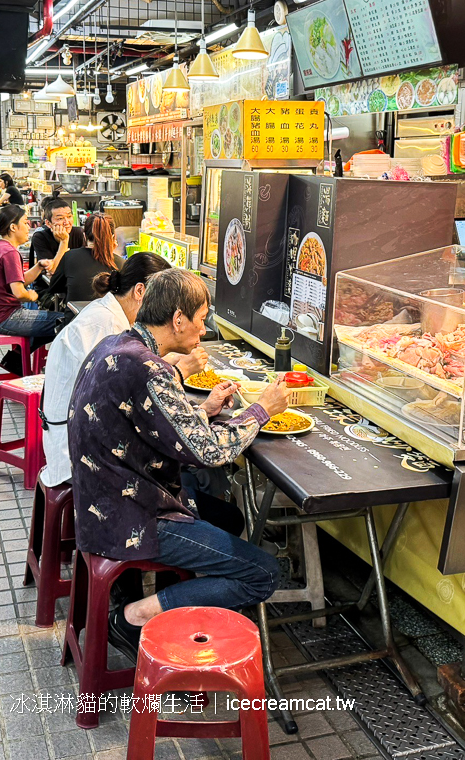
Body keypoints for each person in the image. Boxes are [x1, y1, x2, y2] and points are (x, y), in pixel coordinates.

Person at [68, 269, 292, 654]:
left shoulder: (116, 346)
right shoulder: (148, 369)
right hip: (132, 518)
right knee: (264, 572)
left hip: (101, 504)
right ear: (178, 319)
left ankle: (180, 605)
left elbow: (156, 425)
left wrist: (203, 410)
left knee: (228, 519)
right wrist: (260, 410)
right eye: (202, 319)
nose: (203, 330)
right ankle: (136, 615)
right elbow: (209, 453)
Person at [40, 252, 205, 488]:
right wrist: (179, 373)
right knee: (182, 456)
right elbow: (130, 395)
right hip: (77, 457)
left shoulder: (109, 313)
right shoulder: (104, 324)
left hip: (83, 439)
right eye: (162, 297)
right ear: (140, 291)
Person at [0, 205, 67, 347]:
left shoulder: (2, 247)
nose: (28, 227)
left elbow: (20, 280)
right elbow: (19, 293)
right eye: (25, 222)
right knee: (67, 321)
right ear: (13, 227)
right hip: (4, 318)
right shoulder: (9, 252)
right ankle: (18, 358)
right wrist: (31, 296)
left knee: (60, 322)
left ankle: (18, 357)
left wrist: (39, 266)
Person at [43, 211, 123, 308]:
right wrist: (112, 253)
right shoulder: (121, 263)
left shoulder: (70, 256)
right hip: (109, 322)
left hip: (74, 320)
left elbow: (54, 287)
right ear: (113, 237)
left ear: (84, 236)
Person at [28, 195, 73, 293]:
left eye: (69, 216)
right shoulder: (40, 237)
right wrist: (64, 242)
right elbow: (53, 272)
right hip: (48, 290)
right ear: (48, 223)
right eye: (60, 218)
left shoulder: (78, 233)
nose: (67, 222)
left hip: (73, 286)